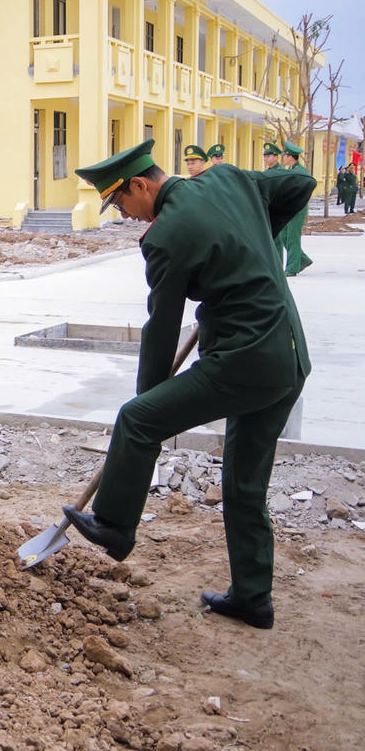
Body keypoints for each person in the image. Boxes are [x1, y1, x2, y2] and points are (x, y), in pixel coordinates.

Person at [66, 138, 313, 630]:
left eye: (121, 203)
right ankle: (252, 598)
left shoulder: (165, 236)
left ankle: (115, 526)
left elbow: (161, 331)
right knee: (244, 484)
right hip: (288, 356)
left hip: (242, 361)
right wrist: (256, 237)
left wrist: (150, 398)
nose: (125, 215)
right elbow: (300, 183)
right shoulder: (228, 179)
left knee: (137, 420)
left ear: (140, 184)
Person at [275, 141, 313, 276]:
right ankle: (302, 259)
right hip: (289, 209)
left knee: (292, 238)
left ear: (290, 156)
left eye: (284, 156)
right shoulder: (291, 170)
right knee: (284, 236)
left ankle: (292, 268)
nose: (282, 159)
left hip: (296, 210)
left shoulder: (300, 172)